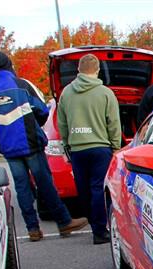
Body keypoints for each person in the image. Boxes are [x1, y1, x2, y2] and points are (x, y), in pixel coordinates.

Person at [0, 51, 88, 242]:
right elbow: (42, 110)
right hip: (31, 144)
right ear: (9, 66)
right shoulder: (22, 85)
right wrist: (34, 128)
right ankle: (63, 222)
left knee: (22, 188)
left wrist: (1, 142)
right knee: (45, 184)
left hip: (10, 150)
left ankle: (33, 229)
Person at [57, 54, 122, 244]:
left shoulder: (67, 93)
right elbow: (114, 123)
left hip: (77, 149)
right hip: (100, 148)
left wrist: (67, 144)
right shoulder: (105, 93)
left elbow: (62, 123)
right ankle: (100, 231)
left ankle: (93, 224)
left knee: (83, 190)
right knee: (98, 189)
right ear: (97, 70)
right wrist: (115, 146)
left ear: (78, 69)